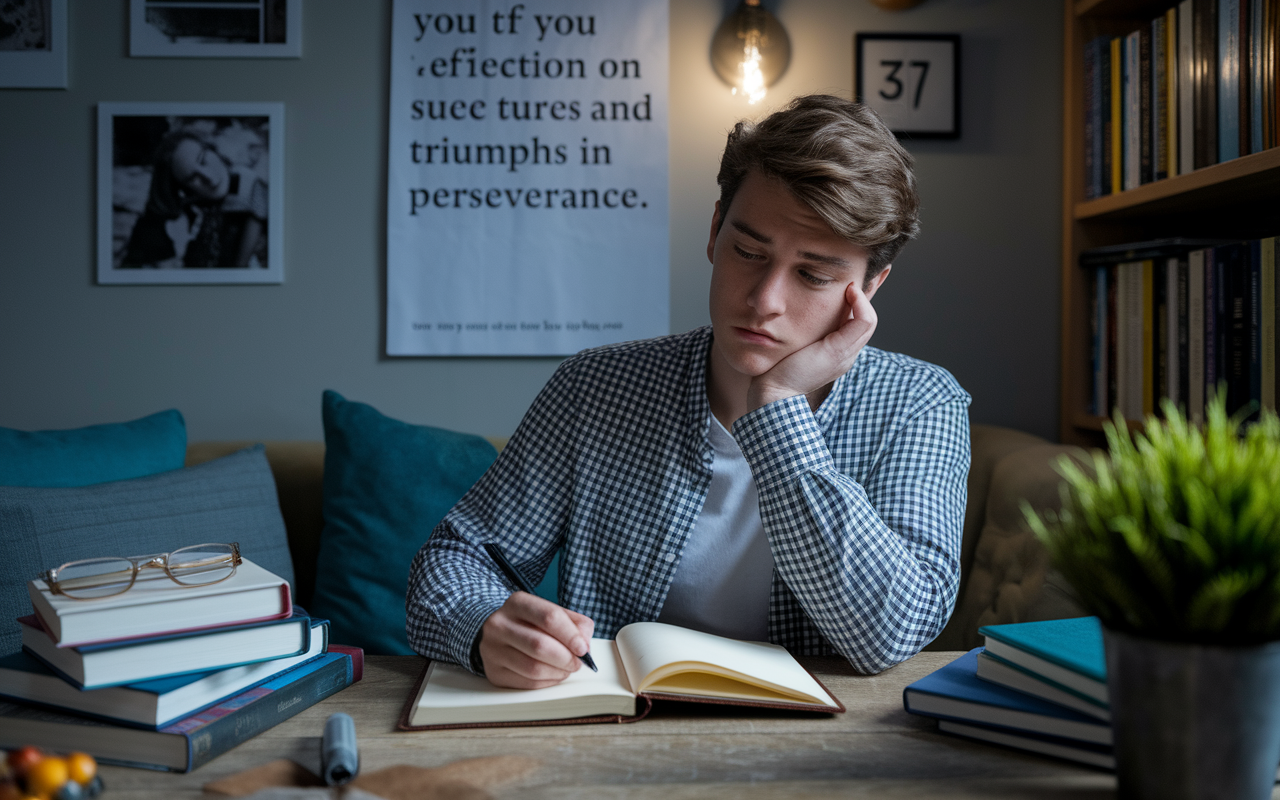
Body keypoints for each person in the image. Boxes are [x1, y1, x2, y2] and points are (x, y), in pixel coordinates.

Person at [406, 94, 971, 689]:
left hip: (820, 755)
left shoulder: (920, 403)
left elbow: (889, 633)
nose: (764, 300)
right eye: (748, 252)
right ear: (713, 232)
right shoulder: (595, 390)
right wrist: (483, 625)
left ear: (869, 287)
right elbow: (452, 562)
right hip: (613, 735)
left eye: (813, 275)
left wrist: (777, 407)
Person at [121, 124, 268, 269]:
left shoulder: (254, 180)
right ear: (186, 191)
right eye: (192, 178)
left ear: (213, 150)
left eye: (203, 160)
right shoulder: (187, 220)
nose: (209, 177)